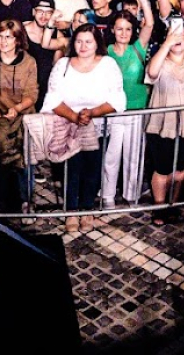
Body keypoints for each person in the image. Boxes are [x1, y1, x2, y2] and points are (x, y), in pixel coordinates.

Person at [41, 23, 126, 233]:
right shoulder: (63, 64)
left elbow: (117, 98)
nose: (83, 46)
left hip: (98, 126)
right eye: (79, 41)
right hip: (68, 125)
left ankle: (87, 209)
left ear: (97, 43)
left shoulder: (108, 64)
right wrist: (74, 116)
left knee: (93, 169)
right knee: (71, 170)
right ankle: (71, 211)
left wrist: (92, 113)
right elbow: (52, 98)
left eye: (88, 41)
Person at [143, 20, 184, 224]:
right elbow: (152, 73)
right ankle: (159, 208)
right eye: (173, 34)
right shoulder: (160, 60)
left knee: (180, 170)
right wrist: (167, 44)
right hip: (162, 125)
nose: (177, 38)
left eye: (181, 35)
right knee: (162, 169)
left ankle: (173, 204)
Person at [0, 18, 39, 208]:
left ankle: (26, 201)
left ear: (18, 40)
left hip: (21, 118)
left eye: (9, 37)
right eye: (0, 36)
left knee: (25, 162)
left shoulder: (29, 62)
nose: (3, 41)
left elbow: (31, 94)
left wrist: (17, 108)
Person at [101, 10, 150, 211]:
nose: (123, 33)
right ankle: (107, 195)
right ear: (113, 29)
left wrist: (144, 0)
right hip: (113, 110)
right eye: (119, 28)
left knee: (134, 155)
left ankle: (132, 194)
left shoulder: (138, 48)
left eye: (128, 29)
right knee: (111, 156)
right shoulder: (105, 51)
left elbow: (149, 25)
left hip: (137, 109)